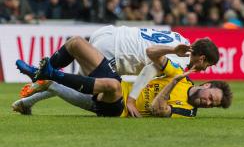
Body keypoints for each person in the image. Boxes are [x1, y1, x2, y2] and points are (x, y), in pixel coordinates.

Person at [18, 25, 220, 117]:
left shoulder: (180, 38)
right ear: (201, 58)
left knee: (74, 44)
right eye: (207, 65)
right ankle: (43, 76)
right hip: (114, 53)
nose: (204, 69)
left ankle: (36, 81)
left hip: (111, 32)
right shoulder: (180, 64)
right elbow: (149, 67)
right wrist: (131, 99)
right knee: (86, 84)